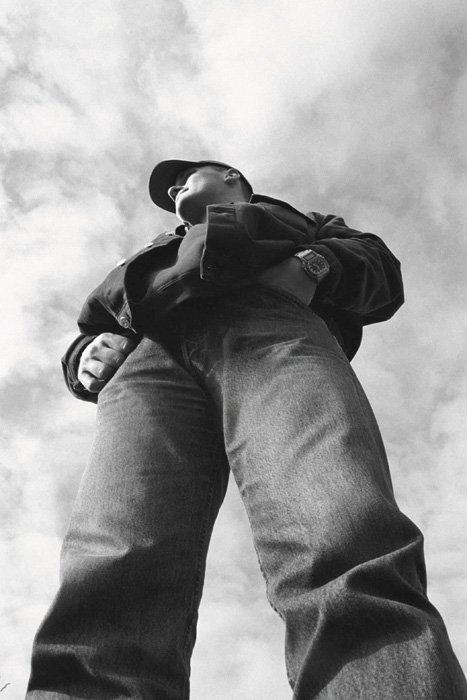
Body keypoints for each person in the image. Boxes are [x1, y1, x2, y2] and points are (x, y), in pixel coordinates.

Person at [27, 160, 467, 699]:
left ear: (232, 176)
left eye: (187, 176)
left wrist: (312, 265)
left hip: (270, 325)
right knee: (114, 556)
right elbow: (95, 324)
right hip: (149, 359)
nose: (174, 188)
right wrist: (86, 352)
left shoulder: (302, 221)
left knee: (335, 524)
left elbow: (377, 264)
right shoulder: (151, 253)